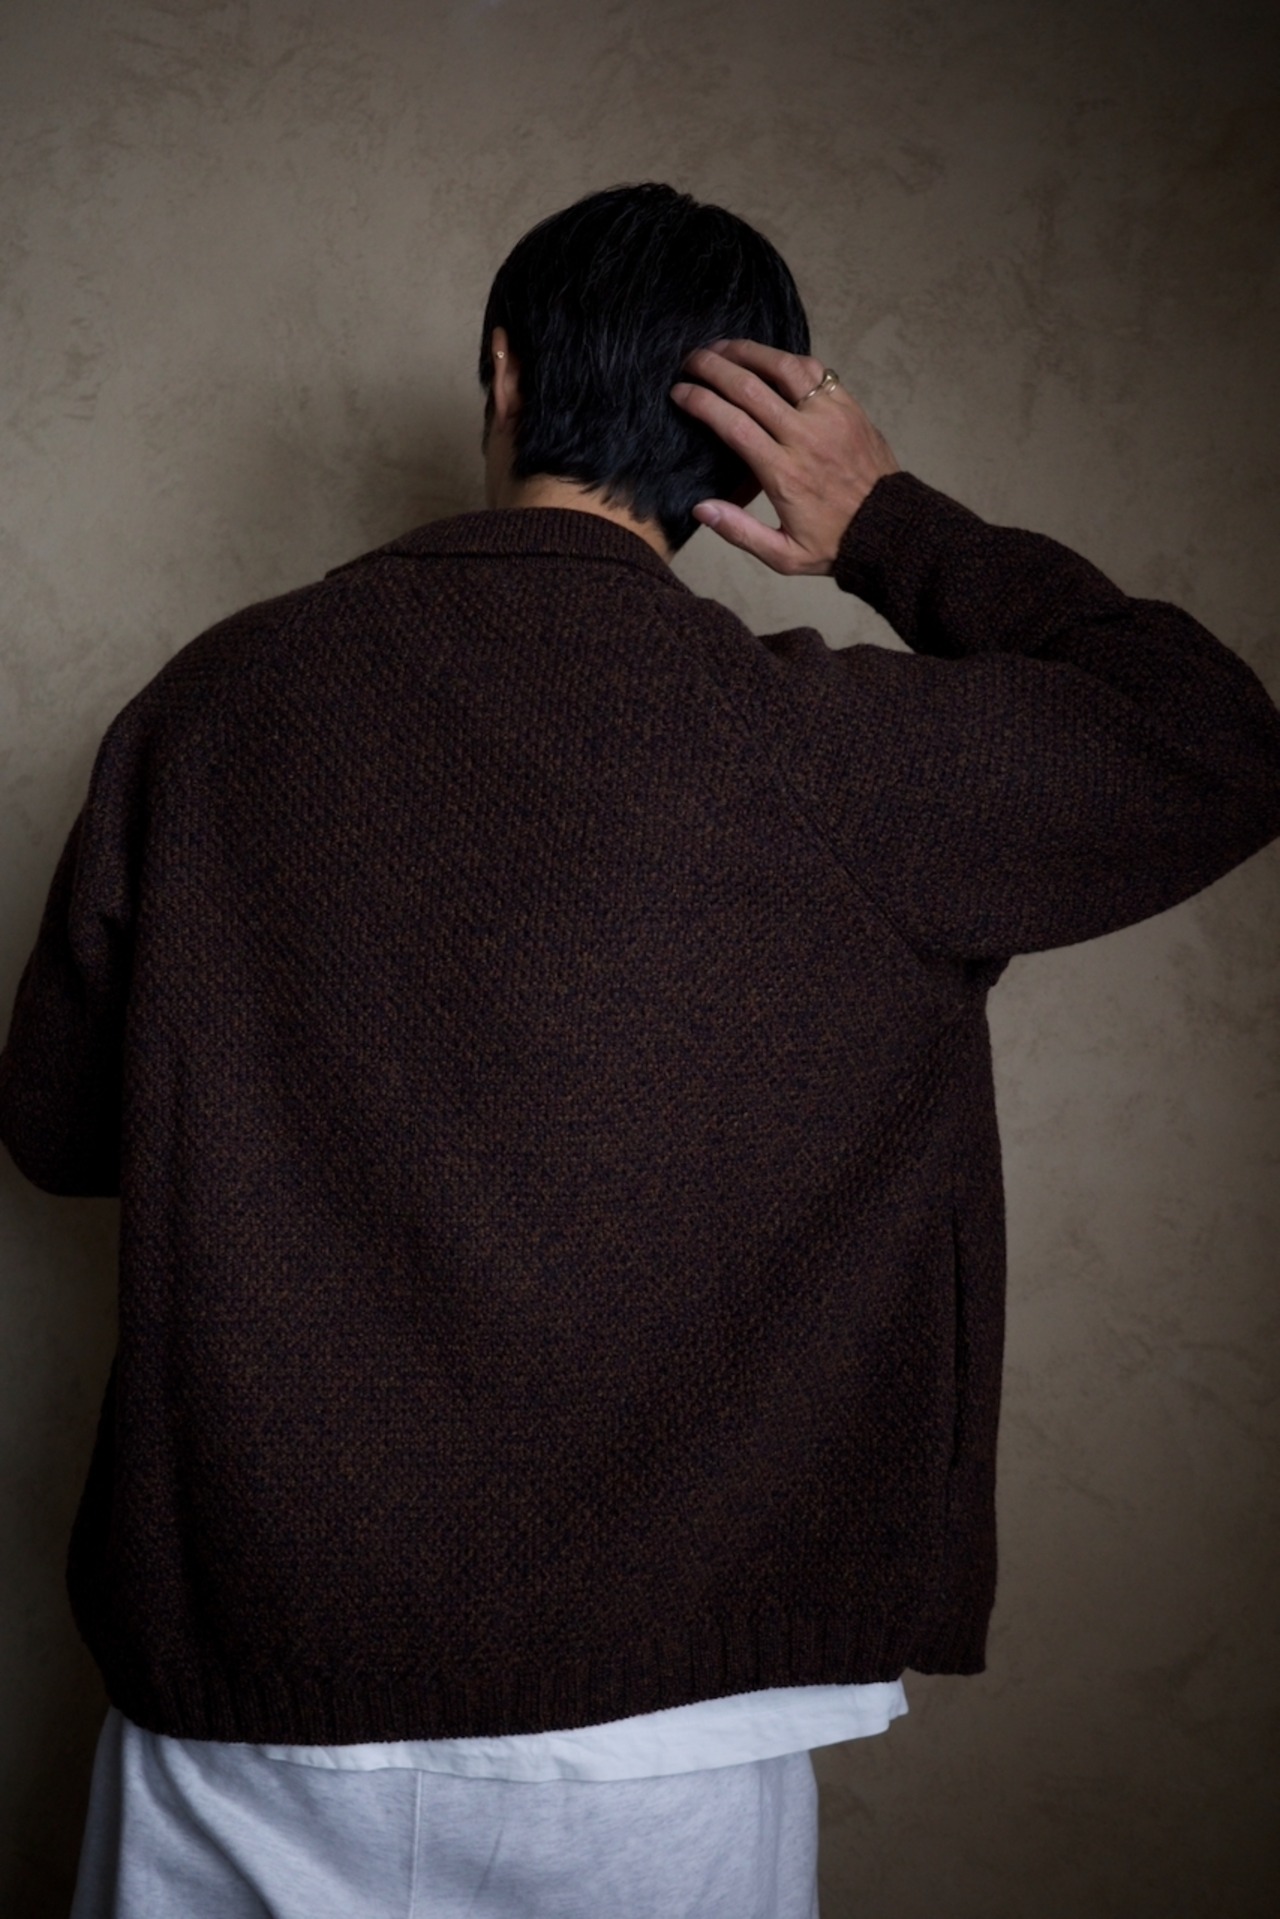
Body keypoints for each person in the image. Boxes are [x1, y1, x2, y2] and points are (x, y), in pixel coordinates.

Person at [2, 181, 1278, 1918]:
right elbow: (1217, 742)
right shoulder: (832, 754)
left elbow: (62, 1124)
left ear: (503, 376)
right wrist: (894, 525)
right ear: (750, 445)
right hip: (664, 1739)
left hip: (251, 1693)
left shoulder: (208, 707)